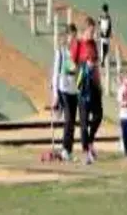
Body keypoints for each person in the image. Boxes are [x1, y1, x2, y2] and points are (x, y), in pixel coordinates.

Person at [71, 20, 102, 162]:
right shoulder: (77, 44)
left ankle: (90, 142)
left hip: (94, 85)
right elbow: (70, 65)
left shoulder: (94, 45)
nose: (93, 34)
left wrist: (99, 83)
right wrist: (84, 66)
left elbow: (96, 65)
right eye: (90, 31)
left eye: (94, 31)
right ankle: (85, 151)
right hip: (83, 86)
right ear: (84, 31)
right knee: (83, 121)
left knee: (98, 115)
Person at [52, 24, 79, 162]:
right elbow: (55, 73)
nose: (73, 39)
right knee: (68, 119)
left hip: (74, 89)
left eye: (75, 37)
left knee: (72, 121)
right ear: (67, 36)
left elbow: (77, 70)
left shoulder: (76, 52)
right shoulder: (61, 52)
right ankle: (64, 150)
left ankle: (69, 149)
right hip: (63, 88)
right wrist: (55, 95)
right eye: (72, 36)